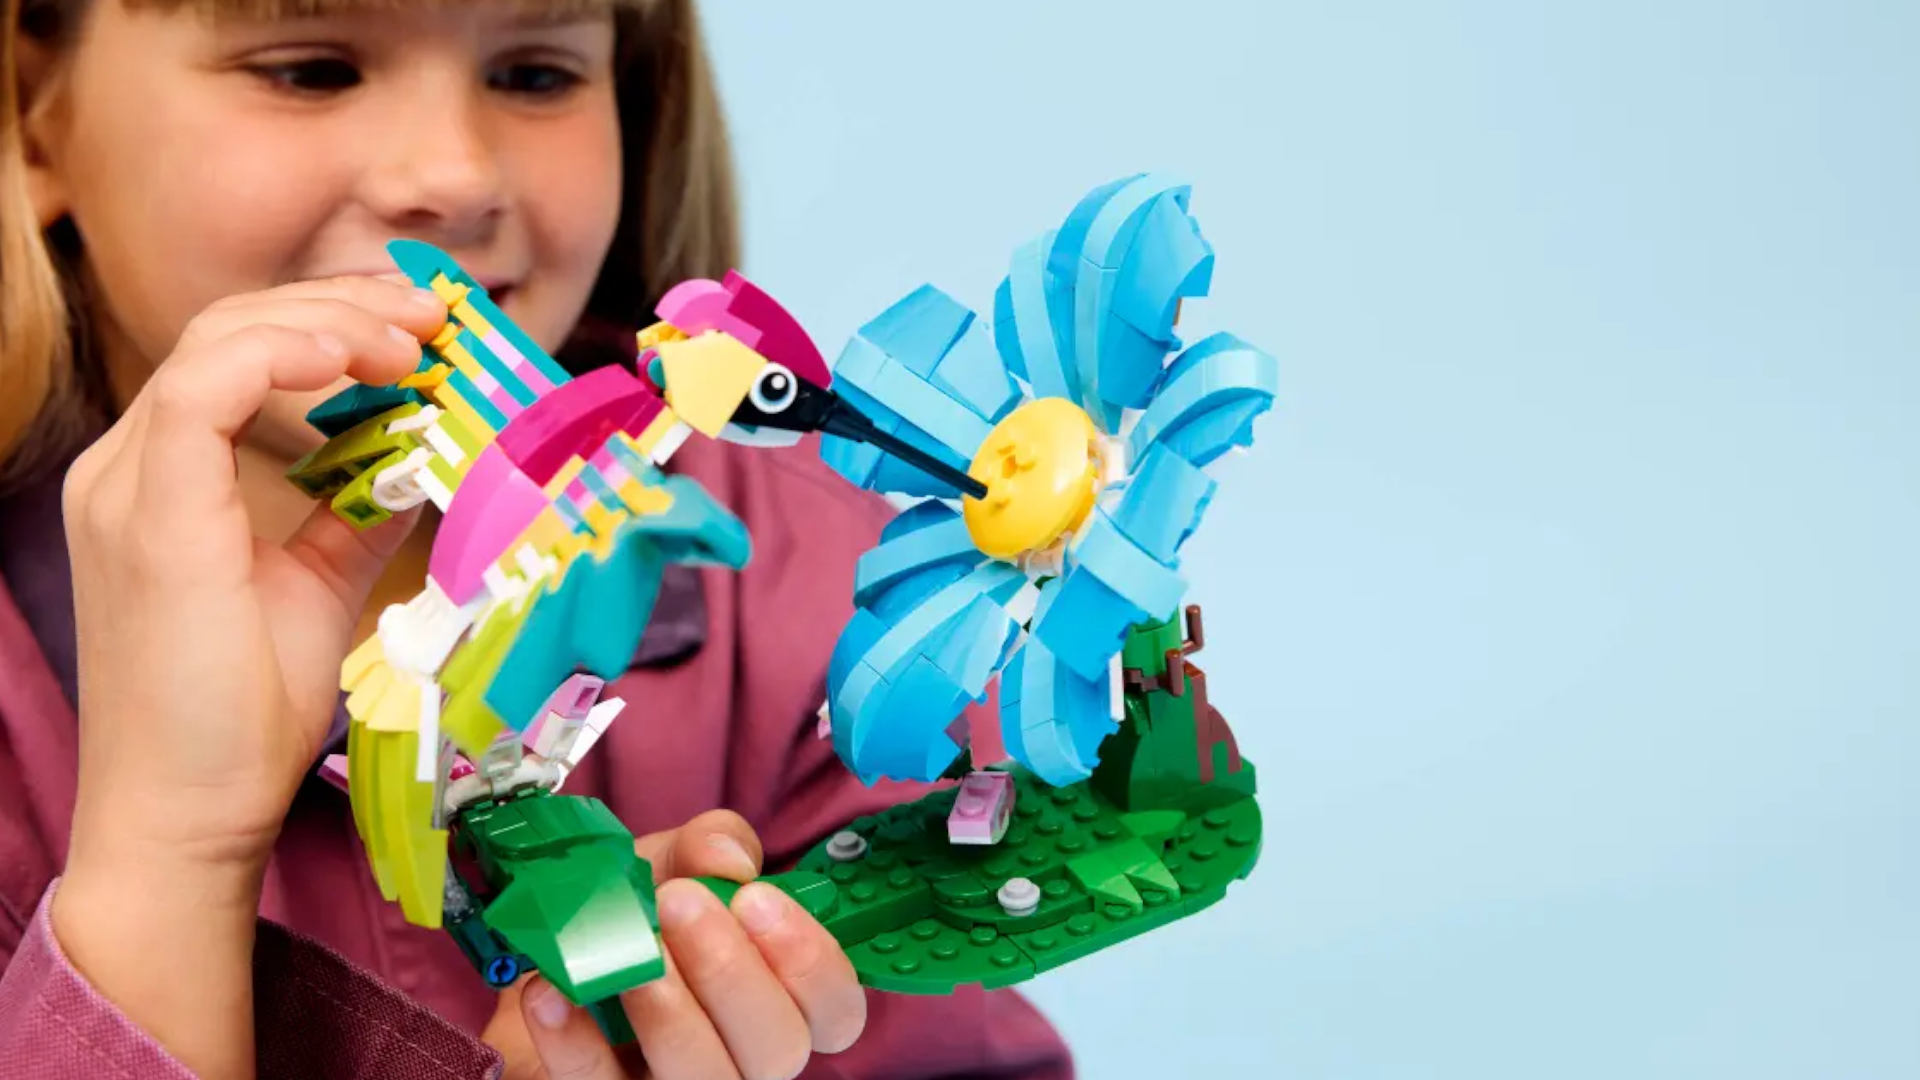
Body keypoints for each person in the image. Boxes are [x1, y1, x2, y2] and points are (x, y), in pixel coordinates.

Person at [0, 0, 1076, 1076]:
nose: (457, 172)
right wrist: (165, 856)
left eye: (534, 74)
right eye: (311, 69)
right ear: (33, 114)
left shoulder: (820, 596)